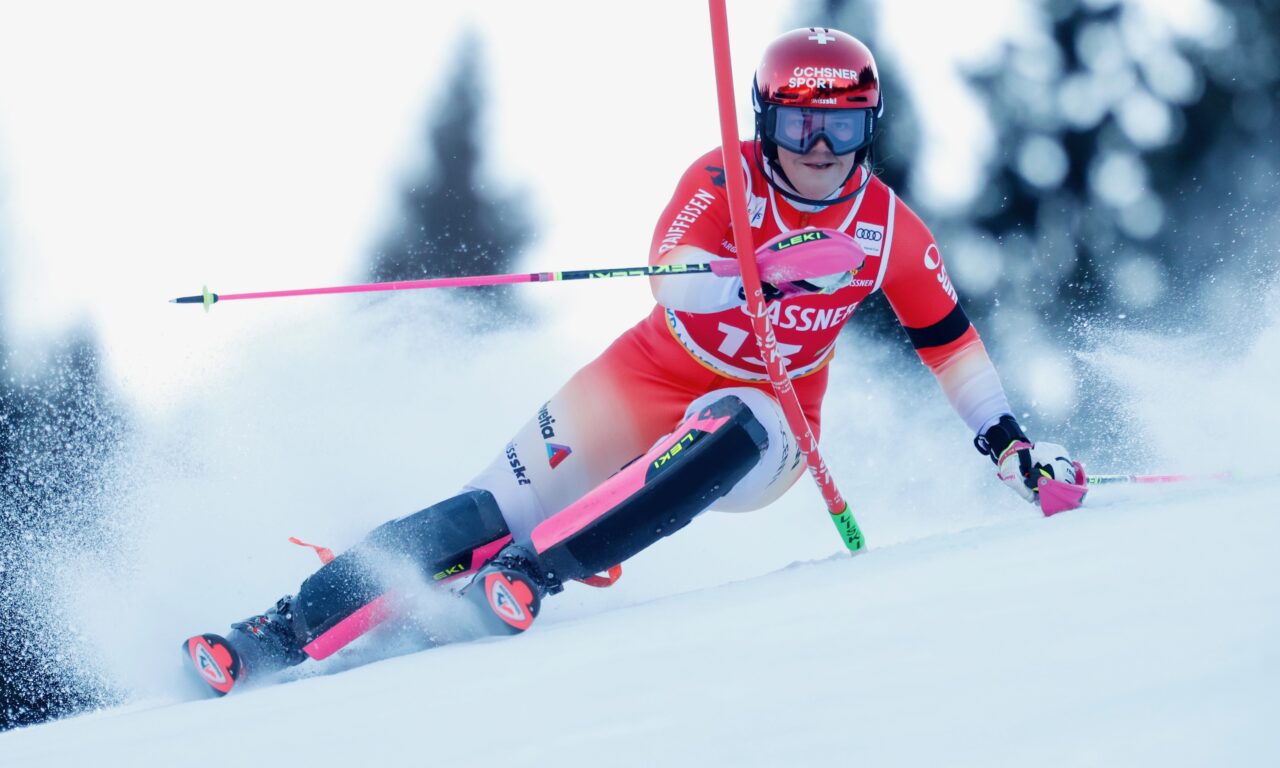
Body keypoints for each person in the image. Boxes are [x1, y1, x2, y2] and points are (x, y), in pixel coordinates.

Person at [183, 27, 1085, 695]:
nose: (818, 152)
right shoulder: (721, 178)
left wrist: (1010, 449)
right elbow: (671, 276)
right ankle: (278, 629)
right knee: (478, 512)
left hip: (768, 421)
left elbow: (949, 343)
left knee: (732, 424)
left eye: (841, 131)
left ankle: (535, 572)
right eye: (801, 127)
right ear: (766, 122)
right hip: (646, 372)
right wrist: (757, 278)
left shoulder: (888, 228)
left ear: (868, 132)